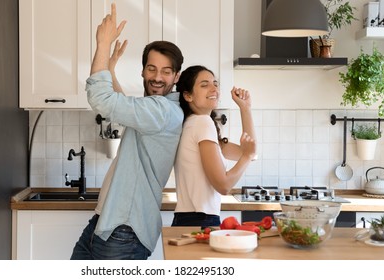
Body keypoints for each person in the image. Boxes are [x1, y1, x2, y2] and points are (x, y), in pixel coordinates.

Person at [70, 3, 184, 260]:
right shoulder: (156, 111)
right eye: (152, 69)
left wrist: (102, 43)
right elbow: (125, 108)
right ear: (143, 71)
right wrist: (109, 68)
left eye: (166, 72)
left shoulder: (162, 110)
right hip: (107, 222)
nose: (158, 77)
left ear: (176, 77)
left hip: (124, 229)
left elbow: (101, 100)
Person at [171, 65, 256, 227]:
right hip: (199, 220)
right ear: (188, 96)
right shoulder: (202, 123)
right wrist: (247, 157)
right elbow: (223, 185)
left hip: (189, 218)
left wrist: (245, 108)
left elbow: (249, 150)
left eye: (215, 83)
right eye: (204, 85)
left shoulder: (193, 123)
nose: (214, 89)